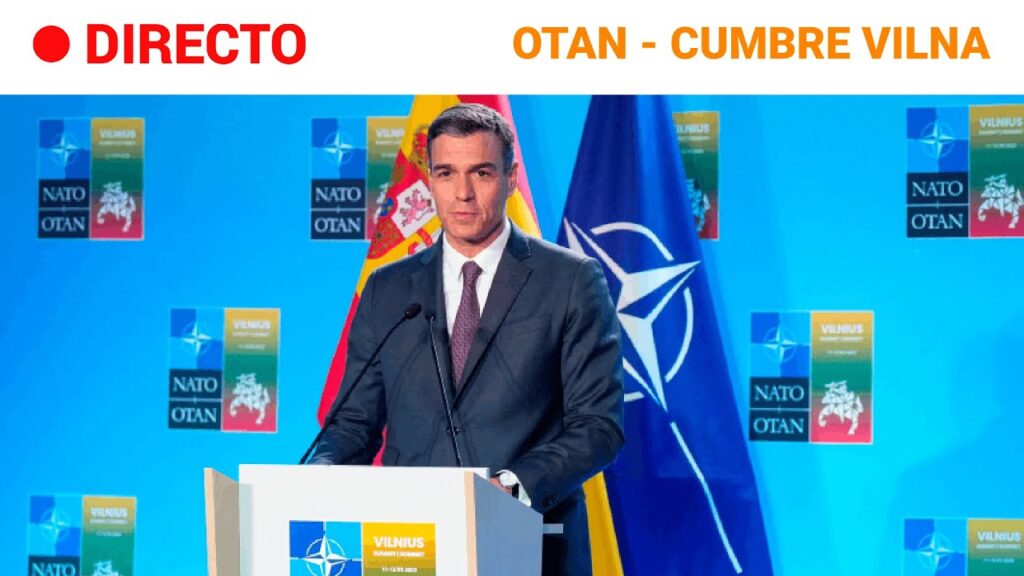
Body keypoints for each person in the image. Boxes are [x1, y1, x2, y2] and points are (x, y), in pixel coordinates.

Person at [310, 103, 624, 575]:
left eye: (481, 172)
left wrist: (511, 487)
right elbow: (354, 423)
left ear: (510, 178)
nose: (462, 193)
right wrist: (320, 473)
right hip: (410, 548)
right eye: (445, 173)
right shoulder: (387, 290)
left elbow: (599, 426)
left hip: (530, 546)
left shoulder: (570, 280)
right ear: (429, 181)